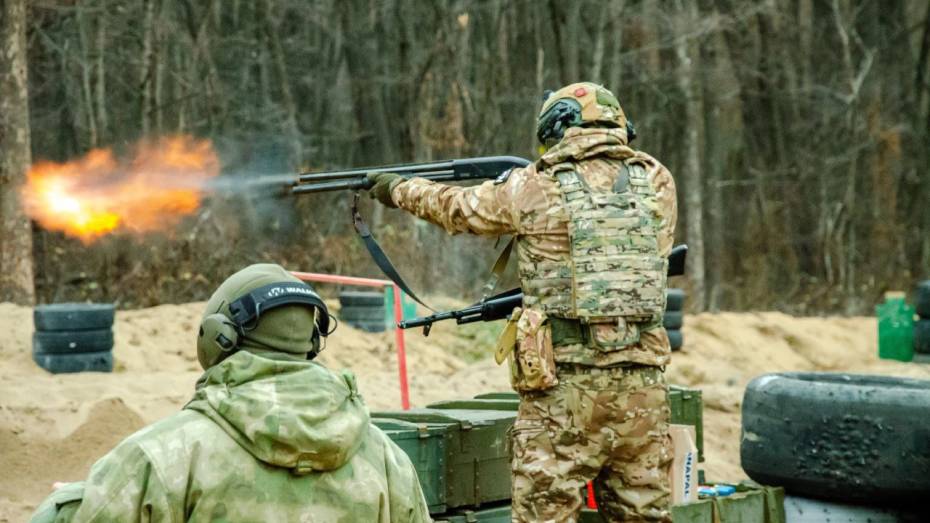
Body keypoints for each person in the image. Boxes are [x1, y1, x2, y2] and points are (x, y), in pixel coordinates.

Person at [367, 82, 678, 522]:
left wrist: (397, 190)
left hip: (563, 392)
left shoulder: (534, 186)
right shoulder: (658, 180)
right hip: (643, 392)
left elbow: (457, 208)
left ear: (556, 126)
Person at [31, 263, 431, 523]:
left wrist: (68, 504)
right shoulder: (385, 458)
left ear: (217, 338)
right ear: (311, 342)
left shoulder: (163, 457)